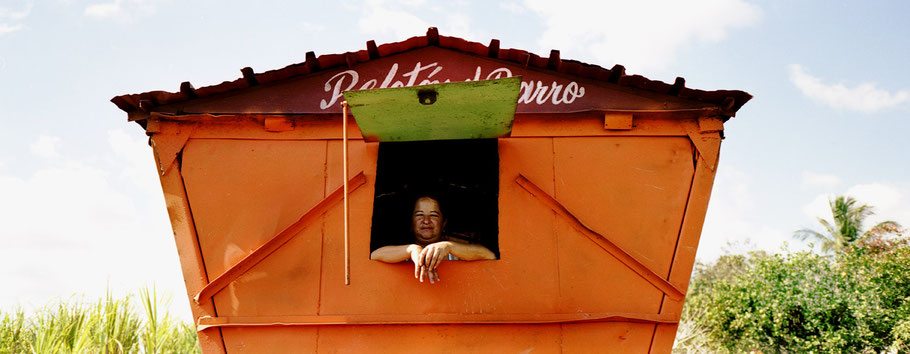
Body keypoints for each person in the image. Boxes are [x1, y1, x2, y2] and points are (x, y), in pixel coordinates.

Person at [370, 195, 496, 284]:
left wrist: (449, 246)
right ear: (411, 222)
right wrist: (412, 249)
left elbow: (489, 255)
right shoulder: (403, 254)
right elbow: (374, 255)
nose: (426, 221)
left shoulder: (455, 253)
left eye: (433, 215)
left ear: (444, 223)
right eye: (419, 215)